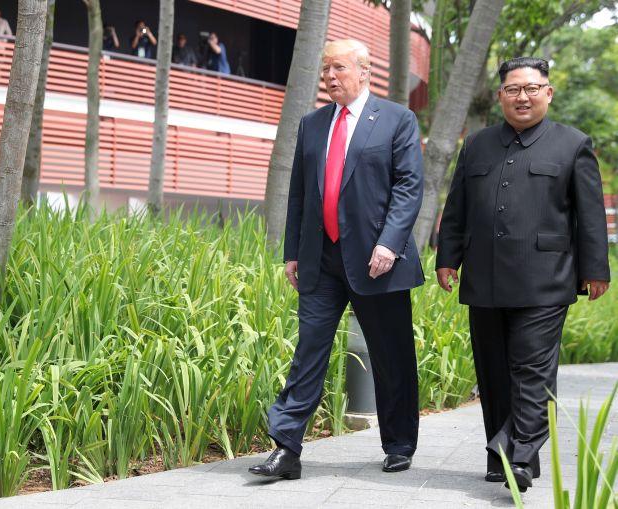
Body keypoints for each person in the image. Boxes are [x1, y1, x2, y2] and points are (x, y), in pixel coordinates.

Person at [248, 39, 425, 480]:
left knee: (391, 355)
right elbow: (300, 192)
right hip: (321, 260)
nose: (329, 76)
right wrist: (293, 252)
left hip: (377, 260)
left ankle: (399, 443)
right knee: (309, 352)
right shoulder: (312, 124)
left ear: (365, 71)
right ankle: (286, 448)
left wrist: (389, 243)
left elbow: (408, 187)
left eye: (339, 68)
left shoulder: (397, 119)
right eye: (326, 69)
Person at [436, 57, 610, 493]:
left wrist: (595, 269)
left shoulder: (573, 144)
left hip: (545, 281)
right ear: (500, 97)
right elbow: (457, 208)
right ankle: (499, 457)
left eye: (532, 88)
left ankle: (523, 456)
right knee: (493, 372)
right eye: (513, 89)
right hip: (484, 279)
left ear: (548, 93)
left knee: (531, 371)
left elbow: (590, 216)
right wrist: (447, 257)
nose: (522, 97)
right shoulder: (476, 145)